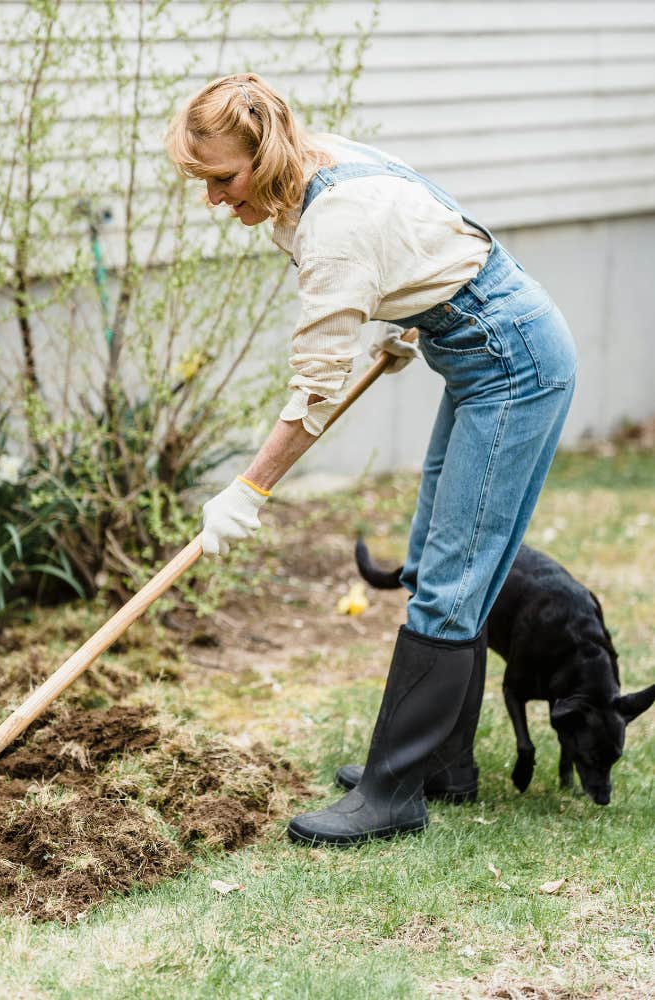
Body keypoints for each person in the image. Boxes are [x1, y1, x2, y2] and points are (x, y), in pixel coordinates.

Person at [165, 73, 576, 846]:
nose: (215, 200)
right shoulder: (315, 164)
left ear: (268, 151)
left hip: (512, 364)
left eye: (223, 179)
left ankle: (393, 793)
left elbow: (314, 390)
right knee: (434, 560)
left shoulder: (335, 225)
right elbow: (432, 220)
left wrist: (248, 490)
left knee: (453, 573)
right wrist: (412, 321)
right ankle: (442, 765)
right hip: (478, 346)